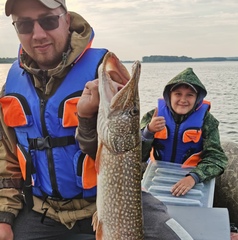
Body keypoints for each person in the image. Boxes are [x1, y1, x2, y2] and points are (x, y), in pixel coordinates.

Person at [0, 0, 193, 240]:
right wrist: (4, 216)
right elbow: (7, 158)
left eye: (48, 21)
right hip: (43, 209)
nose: (38, 34)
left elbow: (118, 145)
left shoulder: (103, 71)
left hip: (110, 198)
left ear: (67, 20)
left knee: (176, 236)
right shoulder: (11, 85)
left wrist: (87, 118)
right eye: (25, 25)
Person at [141, 67, 228, 196]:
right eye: (178, 94)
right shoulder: (152, 116)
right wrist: (148, 132)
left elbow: (217, 158)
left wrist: (194, 177)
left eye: (190, 95)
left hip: (191, 178)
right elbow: (138, 155)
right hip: (155, 174)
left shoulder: (208, 121)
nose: (183, 100)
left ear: (197, 98)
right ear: (168, 96)